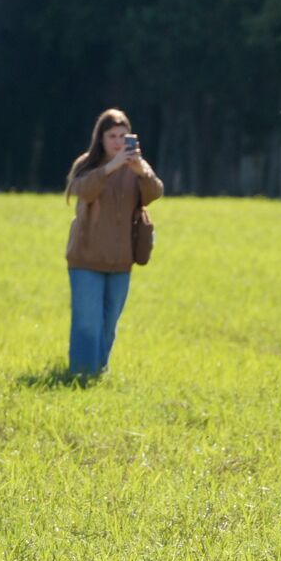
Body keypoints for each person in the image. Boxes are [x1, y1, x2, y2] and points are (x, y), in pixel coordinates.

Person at [64, 109, 163, 376]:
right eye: (112, 136)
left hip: (121, 260)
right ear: (101, 138)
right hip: (86, 258)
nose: (118, 142)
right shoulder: (87, 164)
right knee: (87, 322)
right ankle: (81, 374)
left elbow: (155, 193)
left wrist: (142, 172)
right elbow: (82, 190)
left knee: (108, 324)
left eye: (123, 136)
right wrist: (111, 167)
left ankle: (99, 372)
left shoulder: (137, 167)